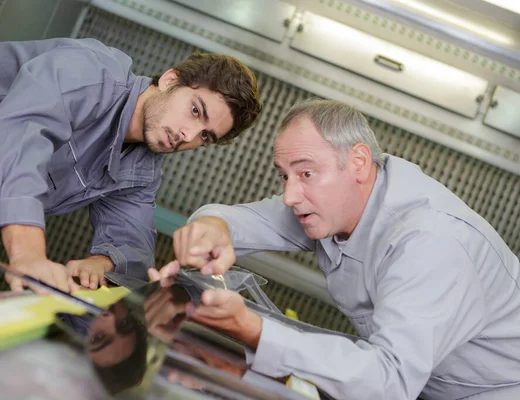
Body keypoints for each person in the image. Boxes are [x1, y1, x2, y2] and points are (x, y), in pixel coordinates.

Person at [150, 99, 520, 399]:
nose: (291, 195)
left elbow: (388, 380)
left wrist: (255, 331)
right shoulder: (333, 203)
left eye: (306, 173)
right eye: (284, 175)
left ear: (358, 162)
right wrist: (209, 228)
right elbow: (236, 222)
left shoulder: (431, 242)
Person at [0, 37, 262, 295]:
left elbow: (133, 238)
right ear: (171, 80)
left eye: (205, 137)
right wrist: (28, 254)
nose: (188, 135)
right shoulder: (93, 71)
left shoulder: (142, 169)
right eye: (195, 110)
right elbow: (17, 136)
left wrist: (104, 263)